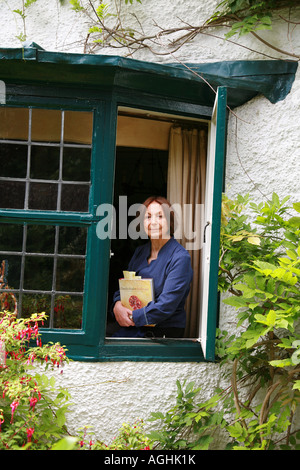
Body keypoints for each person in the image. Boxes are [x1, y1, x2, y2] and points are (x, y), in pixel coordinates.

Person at [111, 196, 193, 338]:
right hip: (135, 324)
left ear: (170, 221)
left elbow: (166, 306)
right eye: (148, 217)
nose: (153, 222)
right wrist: (117, 304)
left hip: (164, 331)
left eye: (160, 216)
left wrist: (132, 317)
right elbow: (125, 287)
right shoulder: (140, 252)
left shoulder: (180, 258)